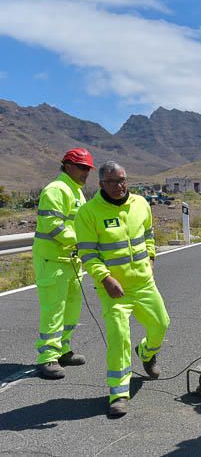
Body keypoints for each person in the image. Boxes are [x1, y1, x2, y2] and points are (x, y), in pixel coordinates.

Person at [75, 161, 170, 417]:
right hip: (113, 290)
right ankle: (118, 393)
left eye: (123, 180)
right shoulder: (88, 213)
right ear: (101, 184)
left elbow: (148, 233)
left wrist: (151, 257)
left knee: (161, 324)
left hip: (143, 283)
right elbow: (88, 253)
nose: (120, 186)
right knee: (119, 338)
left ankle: (147, 353)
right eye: (114, 182)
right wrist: (105, 278)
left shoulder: (141, 204)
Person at [33, 147, 94, 380]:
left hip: (71, 261)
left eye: (88, 168)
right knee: (53, 310)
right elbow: (52, 224)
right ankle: (47, 356)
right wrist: (80, 241)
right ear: (67, 166)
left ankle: (63, 350)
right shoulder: (56, 189)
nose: (85, 172)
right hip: (52, 261)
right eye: (81, 167)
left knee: (71, 309)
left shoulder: (77, 192)